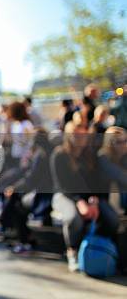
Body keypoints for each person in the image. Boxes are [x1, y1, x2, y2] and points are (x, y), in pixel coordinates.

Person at [50, 114, 120, 272]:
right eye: (76, 133)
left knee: (112, 219)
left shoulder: (91, 155)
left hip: (90, 197)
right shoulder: (59, 155)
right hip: (65, 195)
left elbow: (97, 182)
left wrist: (93, 200)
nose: (80, 137)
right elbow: (63, 185)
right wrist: (79, 201)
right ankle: (72, 252)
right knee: (74, 218)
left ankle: (101, 251)